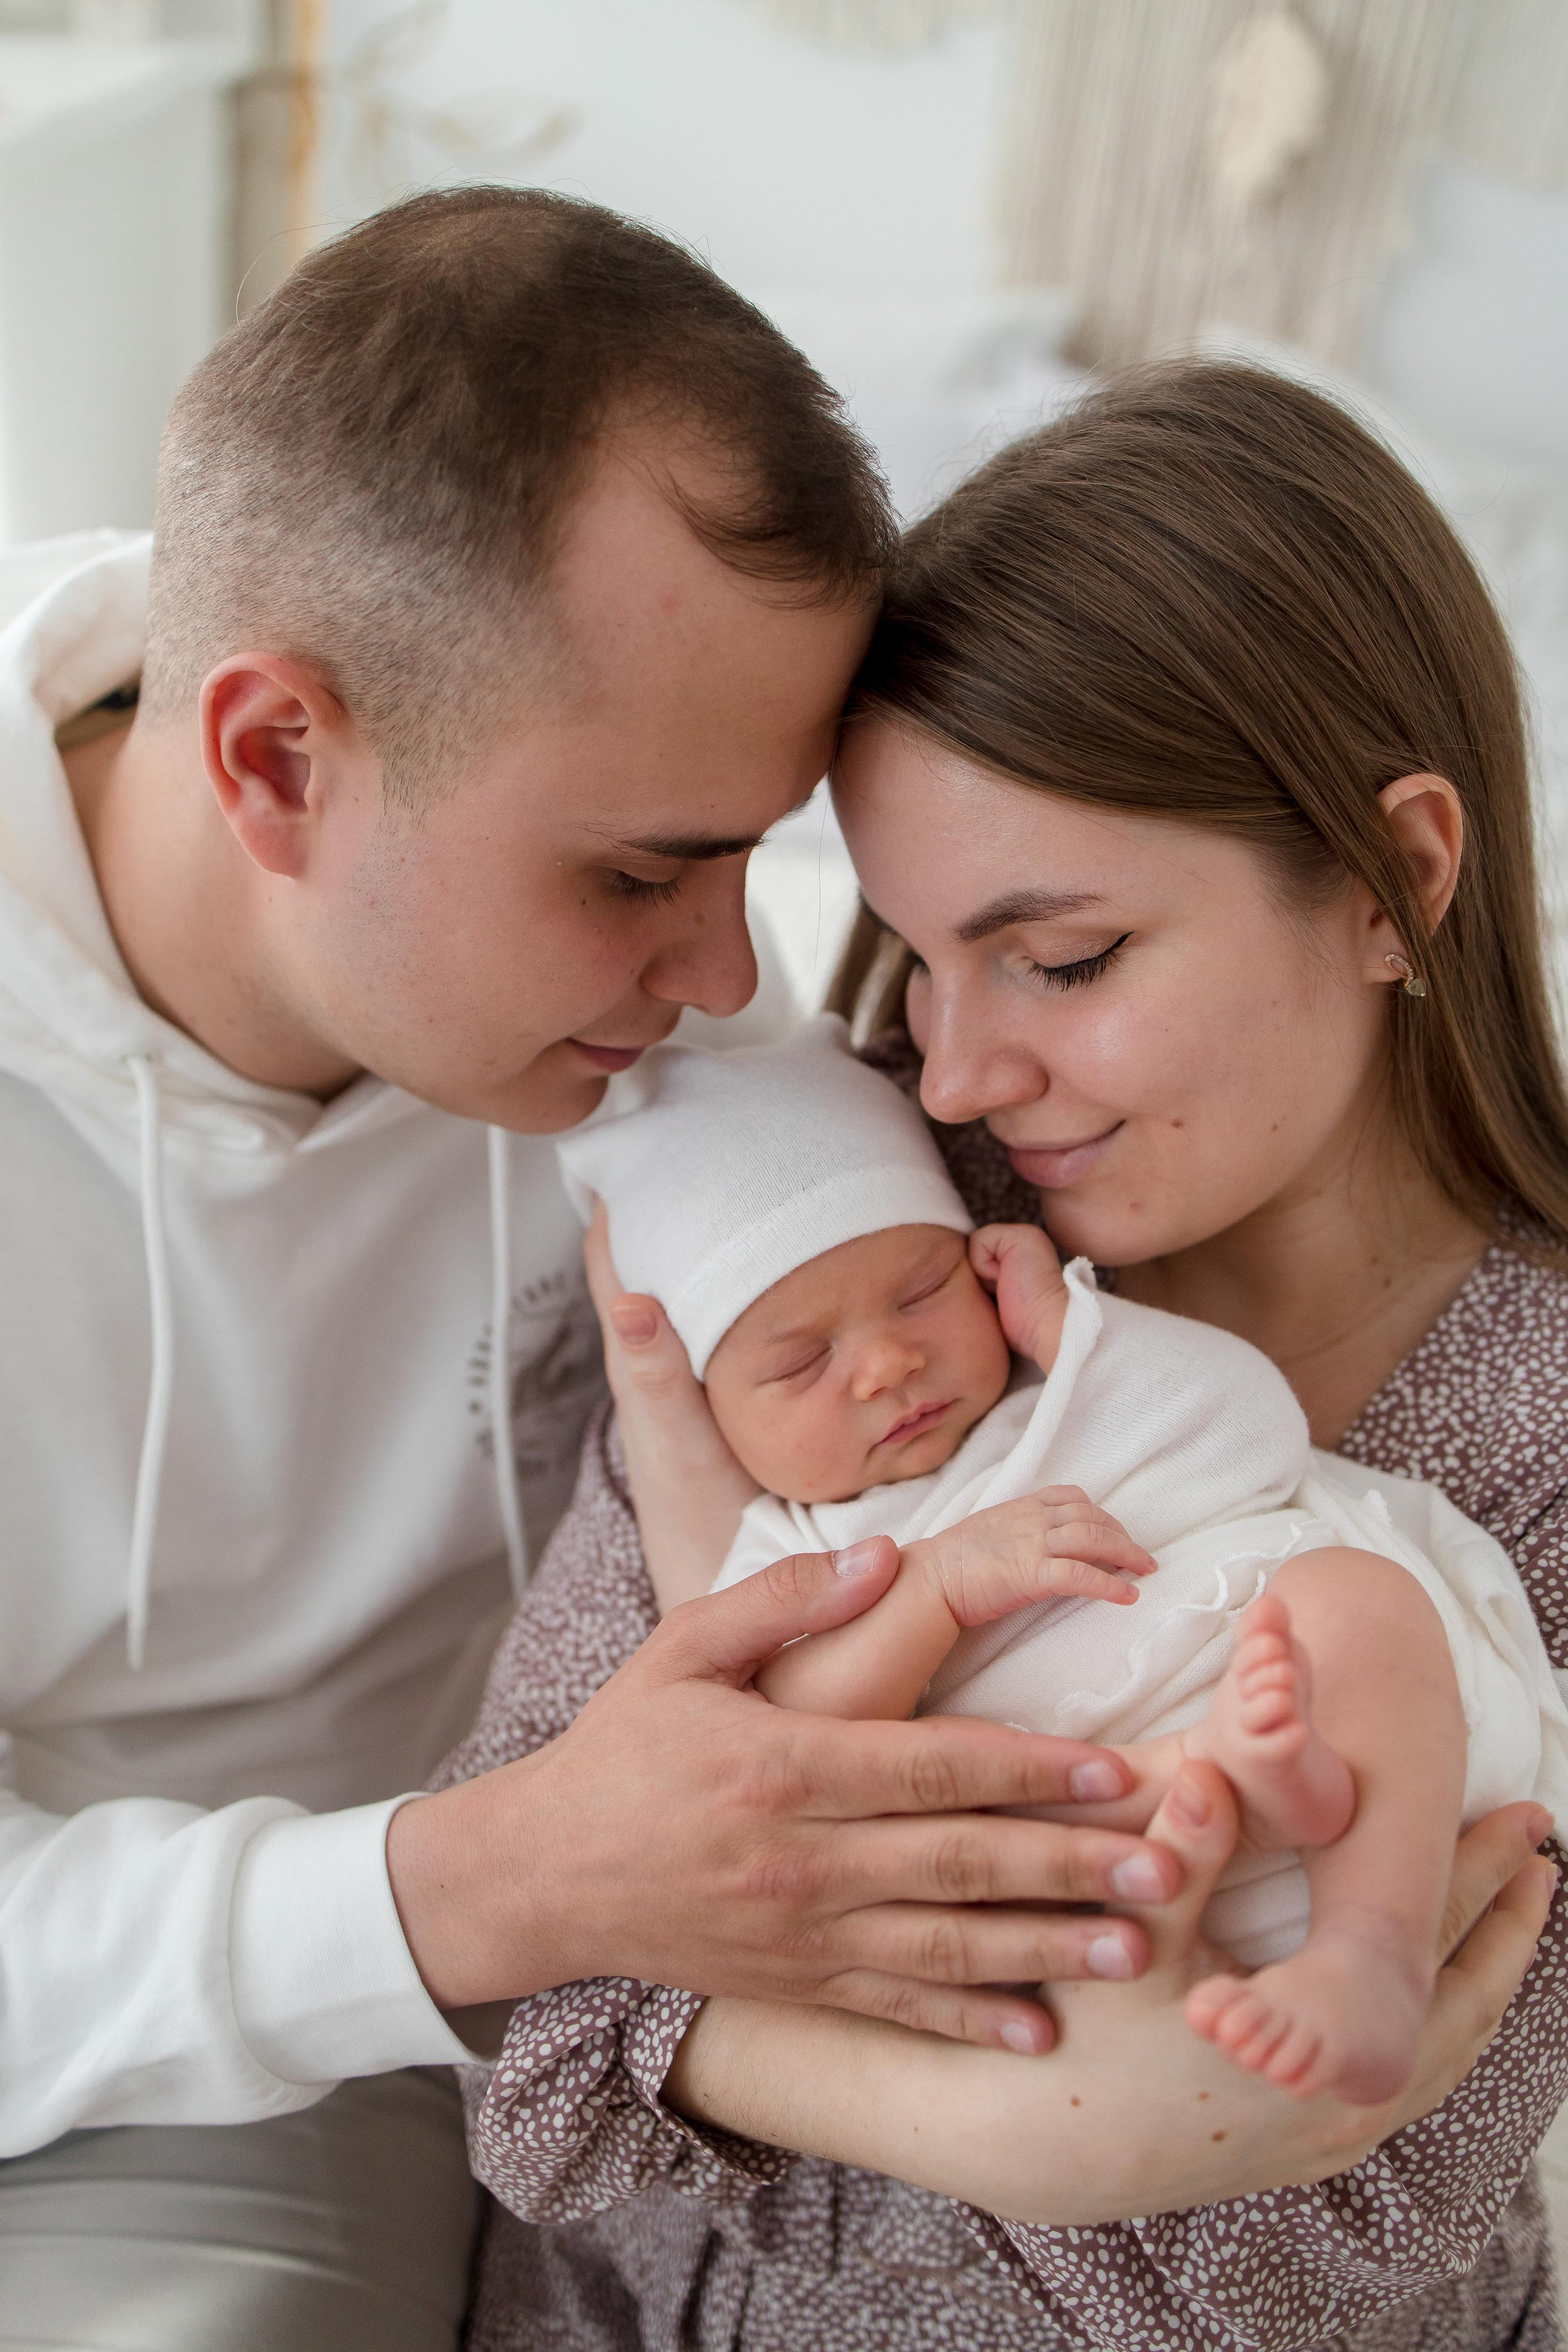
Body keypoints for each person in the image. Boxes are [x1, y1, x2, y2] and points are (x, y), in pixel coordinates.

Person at [0, 190, 1222, 2350]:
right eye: (646, 874)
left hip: (416, 2054)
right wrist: (502, 1877)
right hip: (226, 1975)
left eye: (752, 856)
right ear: (277, 761)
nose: (733, 974)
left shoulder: (691, 1052)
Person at [439, 362, 1567, 2351]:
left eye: (1060, 959)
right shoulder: (860, 1238)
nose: (956, 1071)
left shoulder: (1536, 1427)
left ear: (1399, 876)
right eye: (919, 951)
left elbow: (1308, 2251)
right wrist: (1054, 2125)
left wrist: (746, 1983)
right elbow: (515, 2017)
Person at [554, 1012, 1567, 2105]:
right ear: (713, 1410)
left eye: (922, 1293)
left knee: (1360, 1596)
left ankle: (1369, 1954)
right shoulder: (793, 1545)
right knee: (980, 1807)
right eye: (801, 1362)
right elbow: (786, 1738)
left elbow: (1251, 1436)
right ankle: (1226, 1787)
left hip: (1330, 1742)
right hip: (1085, 1854)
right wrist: (936, 1586)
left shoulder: (1060, 1397)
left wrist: (1070, 1333)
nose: (888, 1362)